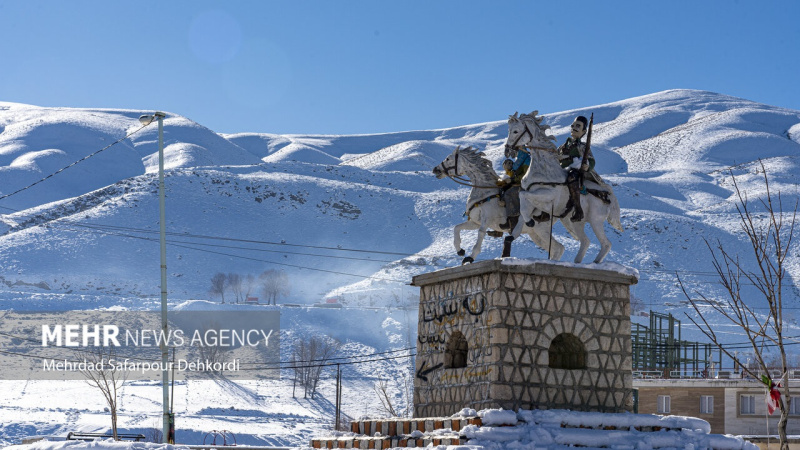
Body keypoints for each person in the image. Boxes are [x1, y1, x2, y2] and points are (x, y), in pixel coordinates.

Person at [557, 115, 602, 222]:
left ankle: (578, 209)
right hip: (561, 169)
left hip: (574, 169)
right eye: (573, 125)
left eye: (578, 126)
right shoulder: (563, 146)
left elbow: (591, 160)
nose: (574, 128)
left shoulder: (582, 146)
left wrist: (587, 165)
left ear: (584, 131)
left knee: (572, 177)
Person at [496, 147, 530, 230]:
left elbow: (524, 175)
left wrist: (513, 179)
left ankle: (513, 220)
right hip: (519, 182)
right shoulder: (520, 160)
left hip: (523, 184)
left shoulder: (524, 160)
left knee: (509, 194)